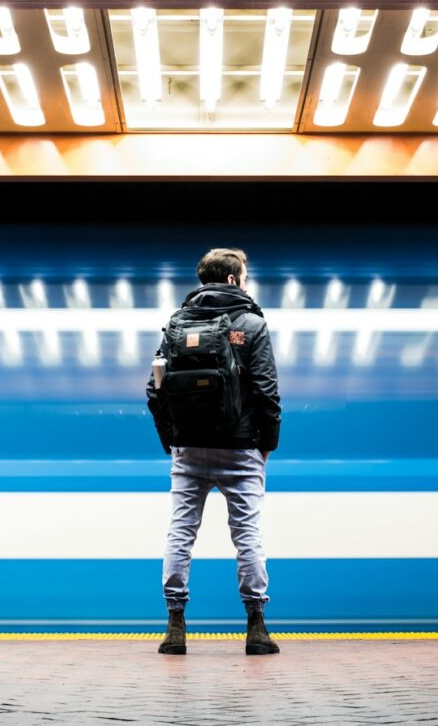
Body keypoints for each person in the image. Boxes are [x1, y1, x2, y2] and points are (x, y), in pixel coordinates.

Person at [146, 247, 282, 656]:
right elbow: (267, 391)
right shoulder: (251, 324)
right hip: (241, 449)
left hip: (188, 449)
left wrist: (170, 439)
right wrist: (267, 446)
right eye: (245, 275)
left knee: (181, 532)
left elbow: (155, 389)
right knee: (247, 535)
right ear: (232, 280)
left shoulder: (175, 323)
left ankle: (175, 625)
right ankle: (256, 626)